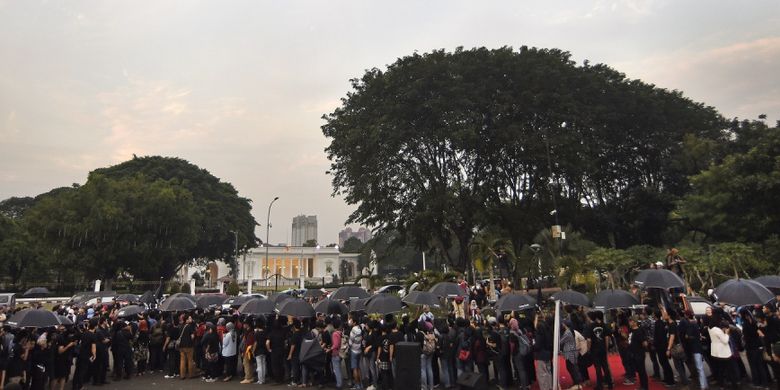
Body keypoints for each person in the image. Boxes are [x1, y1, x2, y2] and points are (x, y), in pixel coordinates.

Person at [585, 311, 613, 390]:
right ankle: (609, 384)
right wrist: (606, 348)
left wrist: (588, 349)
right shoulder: (604, 325)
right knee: (605, 367)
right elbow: (607, 338)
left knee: (597, 368)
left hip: (594, 349)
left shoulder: (590, 326)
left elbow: (589, 340)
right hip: (603, 348)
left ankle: (599, 385)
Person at [627, 316, 648, 390]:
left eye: (630, 321)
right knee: (639, 370)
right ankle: (642, 386)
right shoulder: (631, 330)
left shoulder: (639, 331)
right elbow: (629, 339)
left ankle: (645, 387)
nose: (629, 322)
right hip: (633, 353)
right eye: (629, 321)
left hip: (639, 353)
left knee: (642, 371)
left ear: (634, 322)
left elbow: (645, 343)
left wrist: (641, 345)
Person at [560, 320, 582, 390]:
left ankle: (577, 384)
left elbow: (561, 341)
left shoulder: (567, 333)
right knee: (571, 367)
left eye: (563, 324)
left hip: (570, 353)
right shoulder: (569, 331)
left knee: (572, 368)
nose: (562, 325)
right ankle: (576, 383)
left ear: (565, 325)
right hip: (571, 352)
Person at [178, 315, 196, 380]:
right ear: (186, 320)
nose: (191, 319)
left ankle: (182, 375)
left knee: (182, 360)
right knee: (190, 360)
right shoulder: (189, 327)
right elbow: (192, 337)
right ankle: (191, 374)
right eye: (189, 318)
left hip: (181, 345)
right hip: (189, 345)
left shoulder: (180, 326)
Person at [251, 319, 267, 385]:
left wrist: (253, 351)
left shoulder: (257, 334)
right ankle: (263, 379)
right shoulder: (265, 332)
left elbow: (255, 343)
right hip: (264, 350)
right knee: (263, 365)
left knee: (259, 366)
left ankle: (260, 380)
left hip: (258, 351)